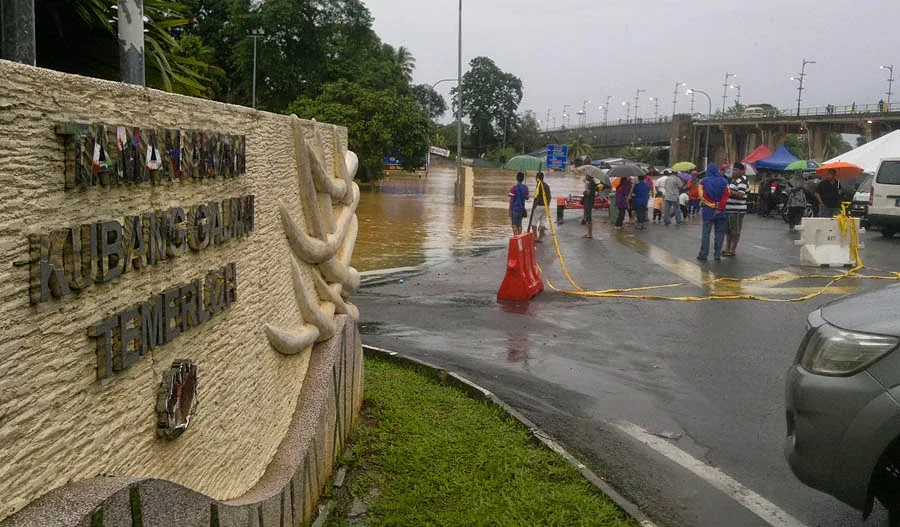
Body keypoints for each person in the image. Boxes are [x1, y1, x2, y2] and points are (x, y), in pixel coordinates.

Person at [697, 163, 730, 261]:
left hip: (708, 210)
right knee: (720, 233)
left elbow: (701, 196)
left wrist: (712, 205)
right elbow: (726, 195)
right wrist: (719, 207)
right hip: (721, 211)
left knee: (706, 233)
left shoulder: (703, 181)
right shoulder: (724, 181)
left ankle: (703, 254)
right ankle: (717, 254)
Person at [723, 162, 749, 257]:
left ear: (742, 171)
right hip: (729, 209)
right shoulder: (734, 180)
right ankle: (727, 247)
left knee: (735, 231)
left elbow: (741, 194)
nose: (734, 171)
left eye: (736, 170)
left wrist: (729, 192)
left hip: (737, 210)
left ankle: (732, 250)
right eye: (733, 169)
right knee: (728, 230)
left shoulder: (743, 180)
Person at [531, 172, 551, 242]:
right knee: (542, 222)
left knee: (533, 222)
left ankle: (535, 237)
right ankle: (540, 238)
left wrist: (533, 206)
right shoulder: (546, 185)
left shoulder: (539, 185)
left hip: (539, 205)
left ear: (537, 178)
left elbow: (537, 197)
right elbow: (549, 197)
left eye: (536, 177)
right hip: (546, 206)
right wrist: (547, 205)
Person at [582, 173, 597, 238]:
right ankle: (589, 232)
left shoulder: (592, 184)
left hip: (589, 201)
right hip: (588, 201)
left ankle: (590, 233)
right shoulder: (590, 183)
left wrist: (585, 192)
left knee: (588, 217)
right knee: (587, 216)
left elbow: (588, 193)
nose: (585, 176)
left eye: (586, 175)